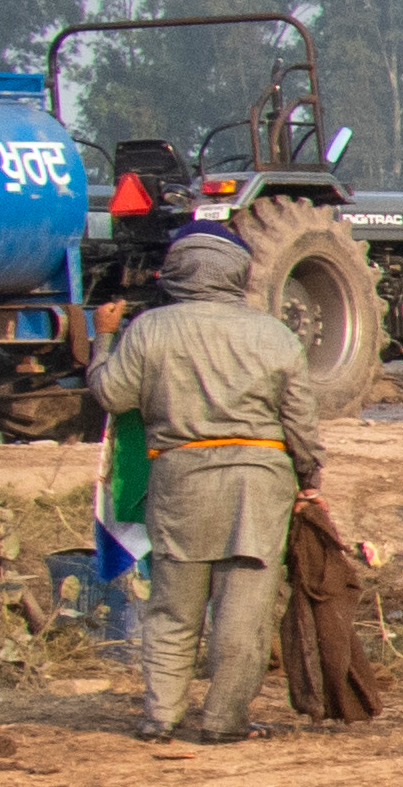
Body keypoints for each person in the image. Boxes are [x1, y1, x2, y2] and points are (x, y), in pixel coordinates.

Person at [94, 226, 310, 742]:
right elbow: (301, 422)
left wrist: (104, 335)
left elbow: (109, 394)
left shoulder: (149, 330)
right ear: (238, 272)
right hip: (259, 484)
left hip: (181, 481)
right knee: (243, 618)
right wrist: (311, 479)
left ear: (175, 271)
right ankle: (223, 721)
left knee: (172, 609)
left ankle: (160, 716)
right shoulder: (274, 335)